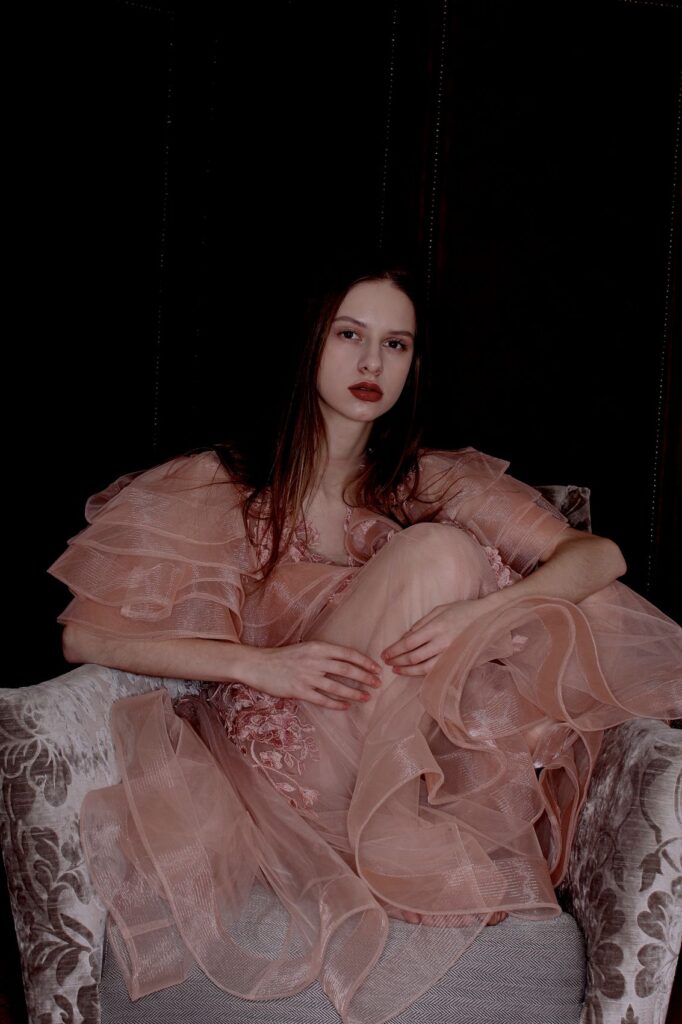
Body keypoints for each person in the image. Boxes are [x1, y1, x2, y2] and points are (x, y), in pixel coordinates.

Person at [48, 257, 682, 1024]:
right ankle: (378, 832)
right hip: (280, 751)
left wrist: (482, 613)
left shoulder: (429, 480)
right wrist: (263, 665)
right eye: (350, 335)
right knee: (442, 552)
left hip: (401, 755)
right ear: (310, 342)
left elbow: (597, 557)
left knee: (477, 568)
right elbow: (84, 635)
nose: (372, 363)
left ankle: (389, 821)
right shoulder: (222, 481)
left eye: (396, 344)